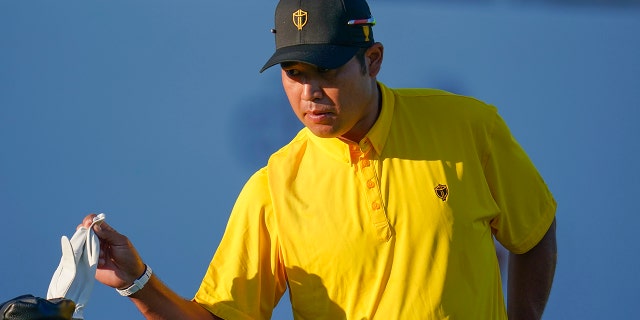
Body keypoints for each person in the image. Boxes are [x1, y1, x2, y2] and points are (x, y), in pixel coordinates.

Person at [78, 0, 557, 318]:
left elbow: (534, 232)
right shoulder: (274, 186)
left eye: (324, 69)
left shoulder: (468, 126)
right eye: (293, 72)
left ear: (373, 59)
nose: (309, 92)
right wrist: (138, 282)